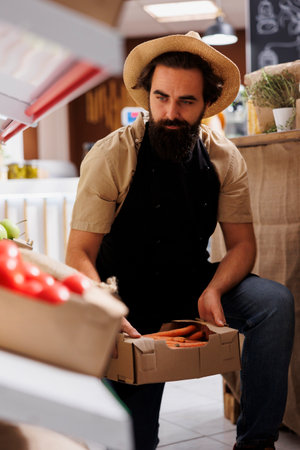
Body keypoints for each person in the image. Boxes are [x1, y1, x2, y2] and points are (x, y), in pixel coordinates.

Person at [66, 31, 295, 450]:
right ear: (147, 96)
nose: (171, 112)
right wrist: (103, 305)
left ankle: (256, 442)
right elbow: (79, 253)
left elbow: (243, 246)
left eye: (186, 101)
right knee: (135, 441)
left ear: (206, 104)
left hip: (192, 284)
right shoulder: (111, 155)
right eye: (161, 97)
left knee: (273, 304)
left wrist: (215, 289)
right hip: (124, 298)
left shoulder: (226, 158)